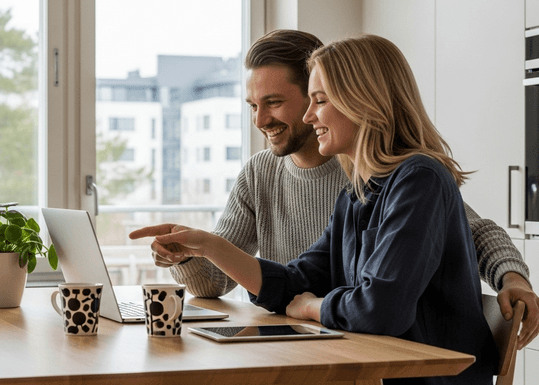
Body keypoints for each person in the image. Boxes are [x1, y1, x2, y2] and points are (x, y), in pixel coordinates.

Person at [129, 29, 539, 349]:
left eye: (318, 100)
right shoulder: (357, 191)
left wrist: (312, 305)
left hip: (413, 370)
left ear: (361, 101)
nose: (310, 115)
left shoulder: (418, 178)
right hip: (360, 354)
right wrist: (205, 244)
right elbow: (293, 279)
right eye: (253, 106)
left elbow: (382, 307)